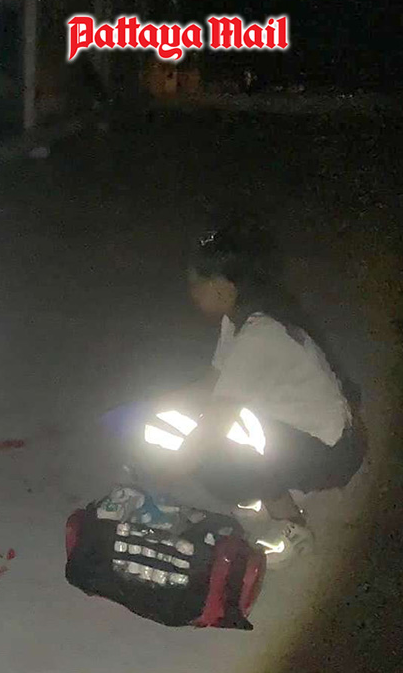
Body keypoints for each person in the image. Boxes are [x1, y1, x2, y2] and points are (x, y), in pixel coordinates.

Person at [138, 219, 364, 567]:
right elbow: (211, 384)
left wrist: (157, 480)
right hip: (304, 429)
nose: (192, 293)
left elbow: (211, 429)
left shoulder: (259, 336)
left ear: (223, 287)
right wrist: (152, 407)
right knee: (186, 426)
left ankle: (292, 526)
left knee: (215, 458)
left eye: (196, 284)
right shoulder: (241, 317)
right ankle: (262, 491)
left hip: (333, 453)